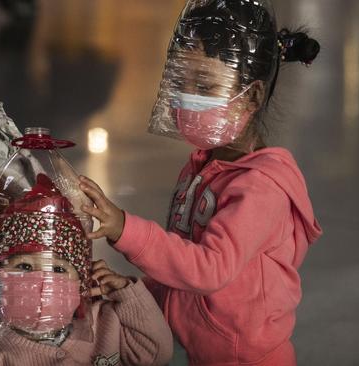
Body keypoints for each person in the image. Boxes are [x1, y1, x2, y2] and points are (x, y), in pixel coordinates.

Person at [78, 0, 323, 365]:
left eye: (205, 85)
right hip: (190, 350)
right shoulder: (203, 165)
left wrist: (124, 229)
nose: (186, 98)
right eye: (181, 82)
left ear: (252, 96)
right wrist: (135, 292)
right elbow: (180, 260)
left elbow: (208, 268)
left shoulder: (261, 188)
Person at [0, 178, 173, 366]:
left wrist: (127, 294)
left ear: (81, 280)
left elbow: (156, 354)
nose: (44, 281)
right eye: (24, 266)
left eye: (58, 269)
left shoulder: (105, 321)